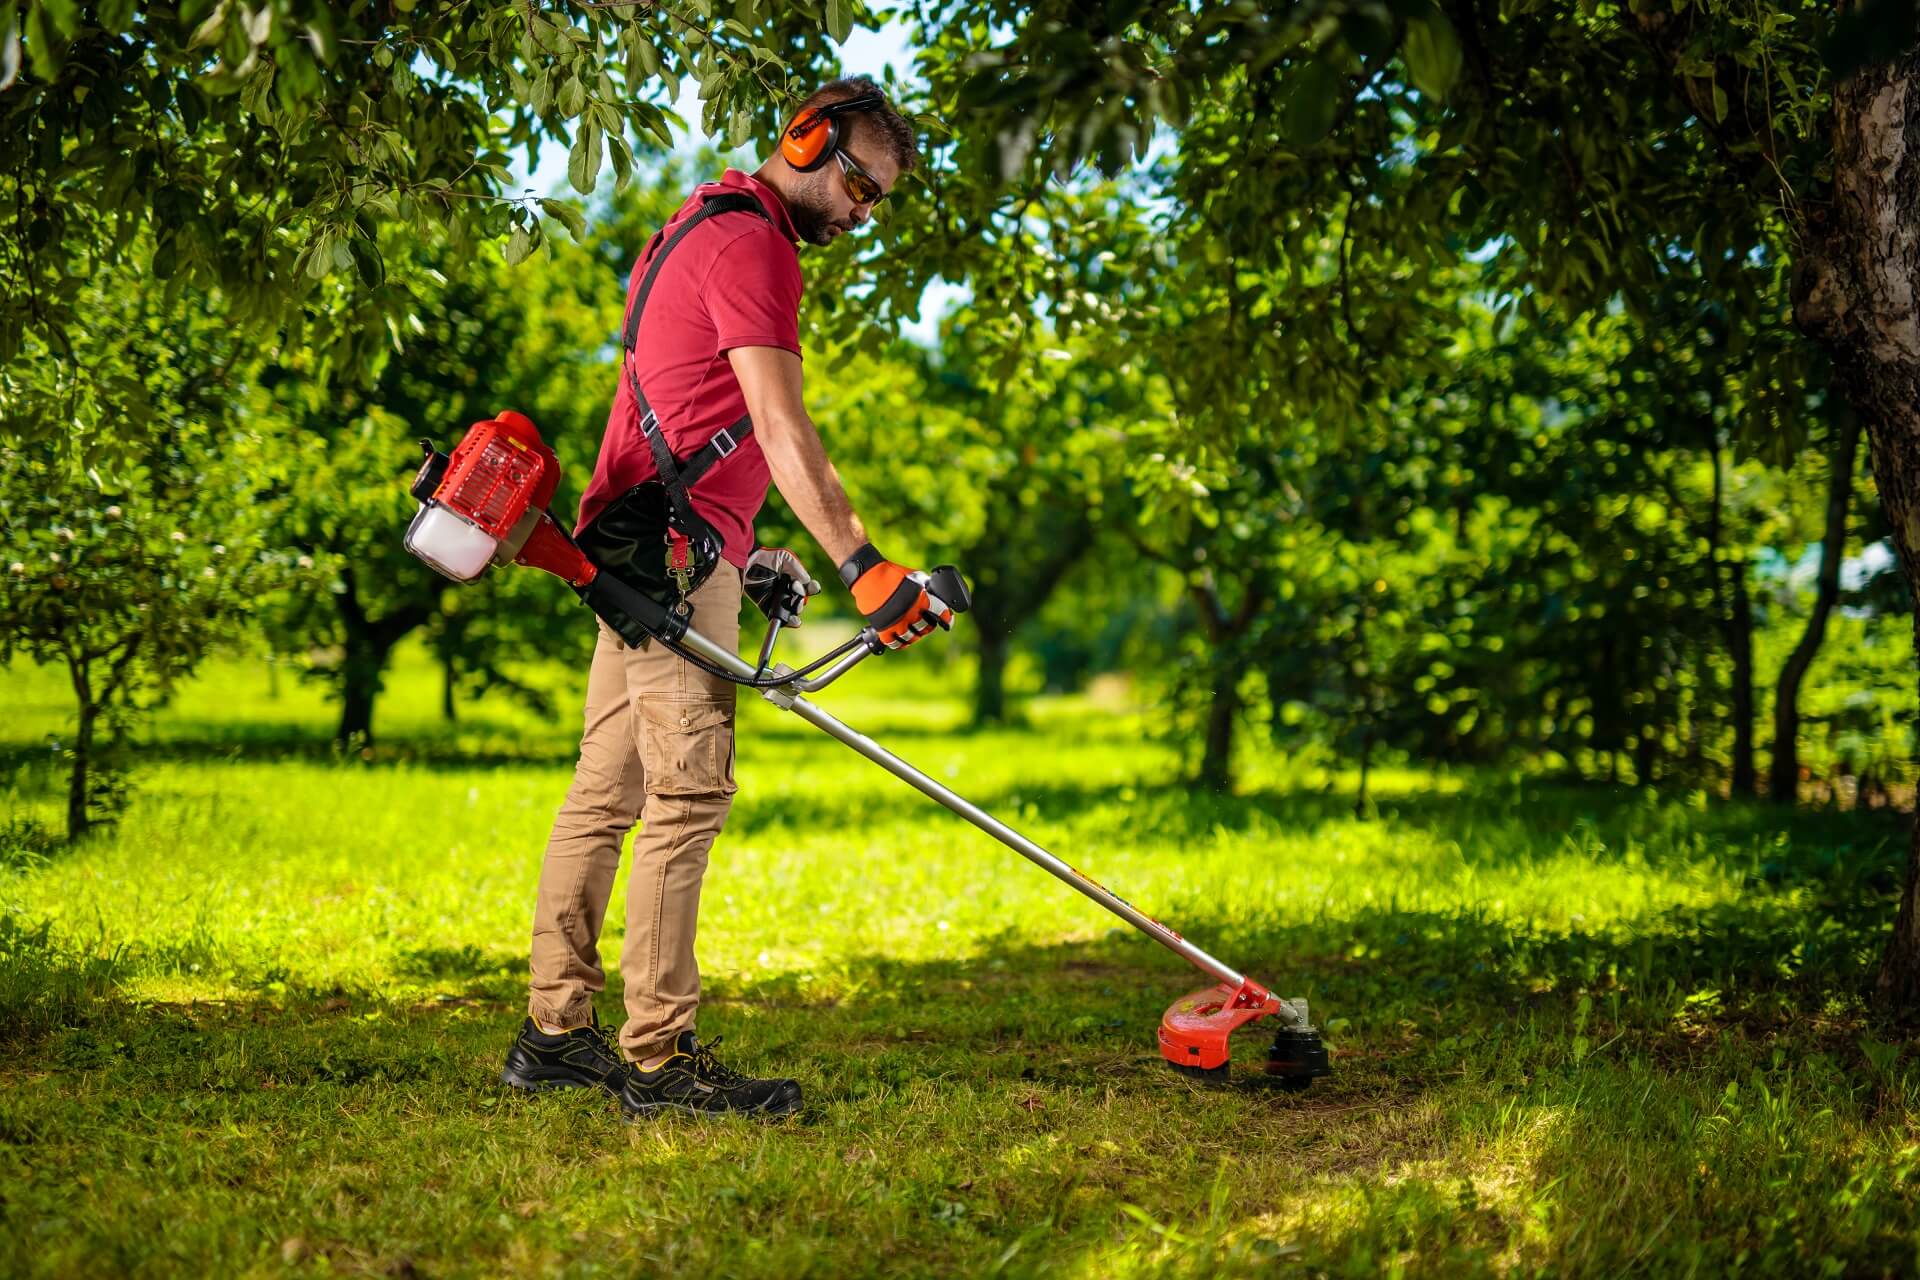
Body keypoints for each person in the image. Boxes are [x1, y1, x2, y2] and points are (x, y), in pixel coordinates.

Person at [500, 77, 949, 1119]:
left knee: (603, 793)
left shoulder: (696, 225)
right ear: (805, 138)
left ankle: (555, 1034)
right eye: (860, 184)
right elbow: (780, 426)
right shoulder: (757, 246)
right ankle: (658, 1060)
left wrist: (748, 546)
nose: (863, 214)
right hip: (668, 557)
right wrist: (864, 566)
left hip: (635, 546)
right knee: (687, 793)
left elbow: (694, 410)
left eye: (878, 200)